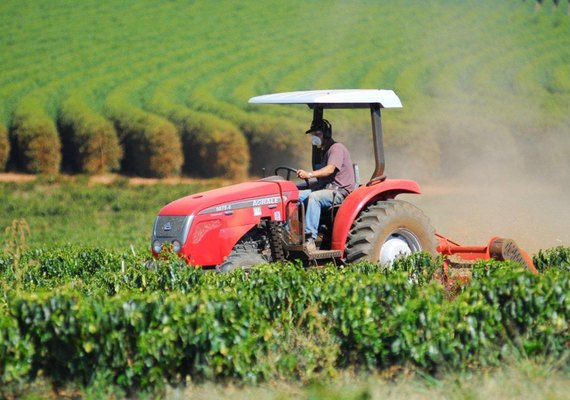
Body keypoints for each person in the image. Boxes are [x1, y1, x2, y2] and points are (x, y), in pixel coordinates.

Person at [296, 119, 356, 252]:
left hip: (338, 192)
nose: (314, 137)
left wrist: (309, 174)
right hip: (326, 189)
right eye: (313, 135)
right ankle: (288, 234)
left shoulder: (336, 148)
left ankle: (309, 238)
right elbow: (322, 180)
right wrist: (296, 187)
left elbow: (330, 170)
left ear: (326, 134)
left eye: (317, 134)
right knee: (293, 196)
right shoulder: (325, 152)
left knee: (314, 198)